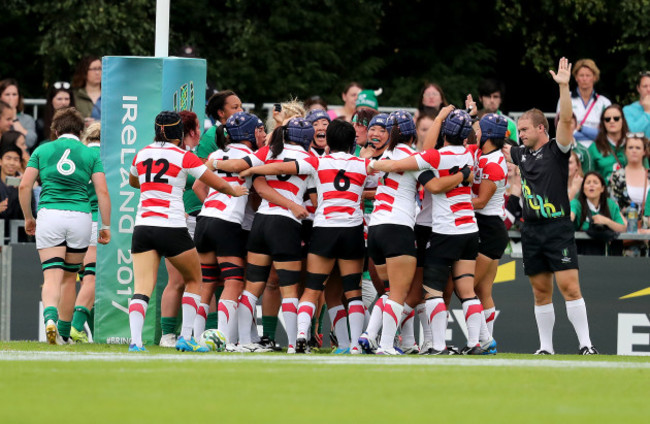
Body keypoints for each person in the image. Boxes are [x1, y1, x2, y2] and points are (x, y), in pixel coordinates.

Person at [239, 119, 372, 354]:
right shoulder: (363, 164)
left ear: (328, 142)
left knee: (311, 289)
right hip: (352, 230)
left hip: (324, 229)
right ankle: (353, 347)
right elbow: (384, 183)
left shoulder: (316, 162)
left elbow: (281, 168)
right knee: (353, 292)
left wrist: (252, 169)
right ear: (353, 143)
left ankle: (301, 335)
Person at [127, 111, 247, 352]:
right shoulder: (183, 156)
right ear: (179, 133)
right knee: (195, 280)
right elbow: (215, 182)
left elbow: (134, 182)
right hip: (171, 227)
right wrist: (234, 191)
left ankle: (136, 342)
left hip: (143, 226)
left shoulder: (141, 154)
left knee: (141, 288)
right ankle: (185, 337)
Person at [371, 109, 488, 355]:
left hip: (440, 229)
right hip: (469, 228)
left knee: (428, 292)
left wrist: (374, 163)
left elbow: (429, 182)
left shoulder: (433, 156)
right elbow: (471, 140)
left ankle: (431, 345)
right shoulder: (469, 154)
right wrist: (463, 172)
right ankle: (478, 343)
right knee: (466, 291)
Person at [503, 57, 598, 355]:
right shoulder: (520, 153)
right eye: (519, 130)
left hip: (557, 228)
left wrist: (564, 87)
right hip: (530, 230)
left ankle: (586, 345)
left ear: (542, 128)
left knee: (570, 288)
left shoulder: (558, 149)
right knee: (540, 292)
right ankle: (546, 348)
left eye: (525, 129)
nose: (521, 134)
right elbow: (496, 143)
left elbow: (567, 120)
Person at [214, 117, 314, 353]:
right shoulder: (312, 158)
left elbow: (250, 176)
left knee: (251, 287)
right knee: (289, 289)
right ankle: (293, 345)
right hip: (285, 225)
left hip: (261, 221)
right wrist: (291, 204)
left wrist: (215, 164)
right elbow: (283, 169)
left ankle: (242, 342)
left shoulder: (269, 150)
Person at [17, 107, 111, 345]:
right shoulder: (90, 154)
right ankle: (65, 333)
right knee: (70, 278)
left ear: (55, 130)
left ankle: (50, 318)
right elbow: (102, 191)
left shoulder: (42, 149)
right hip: (81, 217)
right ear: (80, 132)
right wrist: (106, 225)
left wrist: (29, 217)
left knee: (51, 276)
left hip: (50, 215)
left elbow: (24, 186)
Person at [192, 112, 257, 346]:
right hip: (227, 223)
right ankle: (225, 340)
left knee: (208, 282)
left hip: (205, 219)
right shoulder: (253, 155)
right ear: (249, 133)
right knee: (234, 282)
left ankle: (196, 338)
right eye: (258, 130)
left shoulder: (216, 153)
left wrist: (212, 204)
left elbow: (198, 186)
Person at [158, 111, 207, 347]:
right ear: (189, 131)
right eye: (197, 127)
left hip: (187, 221)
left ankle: (193, 334)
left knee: (194, 280)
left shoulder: (187, 155)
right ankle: (171, 334)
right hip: (185, 221)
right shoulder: (182, 156)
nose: (200, 132)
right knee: (183, 280)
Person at [469, 113, 510, 348]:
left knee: (468, 286)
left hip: (489, 228)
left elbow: (481, 202)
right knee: (483, 291)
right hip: (488, 227)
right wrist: (473, 114)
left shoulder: (494, 163)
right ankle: (487, 341)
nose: (476, 132)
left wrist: (451, 200)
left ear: (486, 135)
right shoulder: (482, 152)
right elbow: (478, 128)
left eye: (479, 129)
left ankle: (484, 341)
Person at [67, 123, 102, 343]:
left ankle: (86, 330)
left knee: (80, 278)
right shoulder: (106, 157)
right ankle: (76, 326)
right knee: (93, 277)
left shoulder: (77, 156)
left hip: (74, 219)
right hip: (96, 221)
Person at [556, 58, 611, 144]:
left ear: (595, 77)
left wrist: (581, 129)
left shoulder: (604, 102)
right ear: (576, 77)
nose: (584, 79)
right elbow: (561, 129)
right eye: (581, 75)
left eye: (588, 75)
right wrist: (592, 133)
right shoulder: (565, 98)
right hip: (572, 149)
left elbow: (607, 134)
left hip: (597, 149)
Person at [571, 172, 626, 255]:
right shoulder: (576, 204)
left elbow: (622, 228)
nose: (591, 185)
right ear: (583, 188)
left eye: (595, 183)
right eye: (588, 182)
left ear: (602, 189)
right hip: (582, 252)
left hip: (606, 255)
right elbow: (569, 218)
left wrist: (606, 221)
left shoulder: (610, 204)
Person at [196, 90, 243, 160]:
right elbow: (202, 167)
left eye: (240, 106)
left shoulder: (240, 131)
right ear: (221, 113)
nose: (241, 110)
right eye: (235, 107)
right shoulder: (210, 137)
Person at [588, 105, 629, 183]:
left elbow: (645, 173)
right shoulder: (594, 148)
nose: (612, 121)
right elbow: (588, 177)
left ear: (622, 120)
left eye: (616, 118)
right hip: (605, 193)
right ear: (603, 123)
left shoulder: (634, 144)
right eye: (607, 119)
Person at [0, 144, 31, 241]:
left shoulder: (25, 185)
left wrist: (23, 191)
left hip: (19, 239)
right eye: (8, 158)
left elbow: (32, 213)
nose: (12, 163)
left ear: (20, 164)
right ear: (0, 161)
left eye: (16, 160)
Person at [478, 78, 519, 144]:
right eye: (488, 96)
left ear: (501, 99)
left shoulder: (510, 124)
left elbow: (515, 151)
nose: (492, 100)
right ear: (480, 98)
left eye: (495, 97)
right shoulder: (472, 121)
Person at [0, 79, 37, 150]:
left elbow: (30, 142)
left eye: (14, 94)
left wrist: (14, 118)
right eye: (7, 94)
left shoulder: (27, 119)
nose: (11, 98)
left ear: (19, 98)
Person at [40, 82, 75, 146]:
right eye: (59, 99)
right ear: (51, 100)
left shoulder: (77, 121)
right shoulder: (41, 124)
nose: (63, 102)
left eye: (66, 99)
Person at [72, 56, 102, 123]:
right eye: (94, 69)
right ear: (85, 71)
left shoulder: (109, 95)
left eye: (100, 68)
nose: (98, 72)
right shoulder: (75, 95)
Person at [623, 71, 650, 138]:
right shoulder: (628, 110)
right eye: (645, 86)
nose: (649, 89)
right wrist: (647, 112)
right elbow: (633, 132)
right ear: (638, 88)